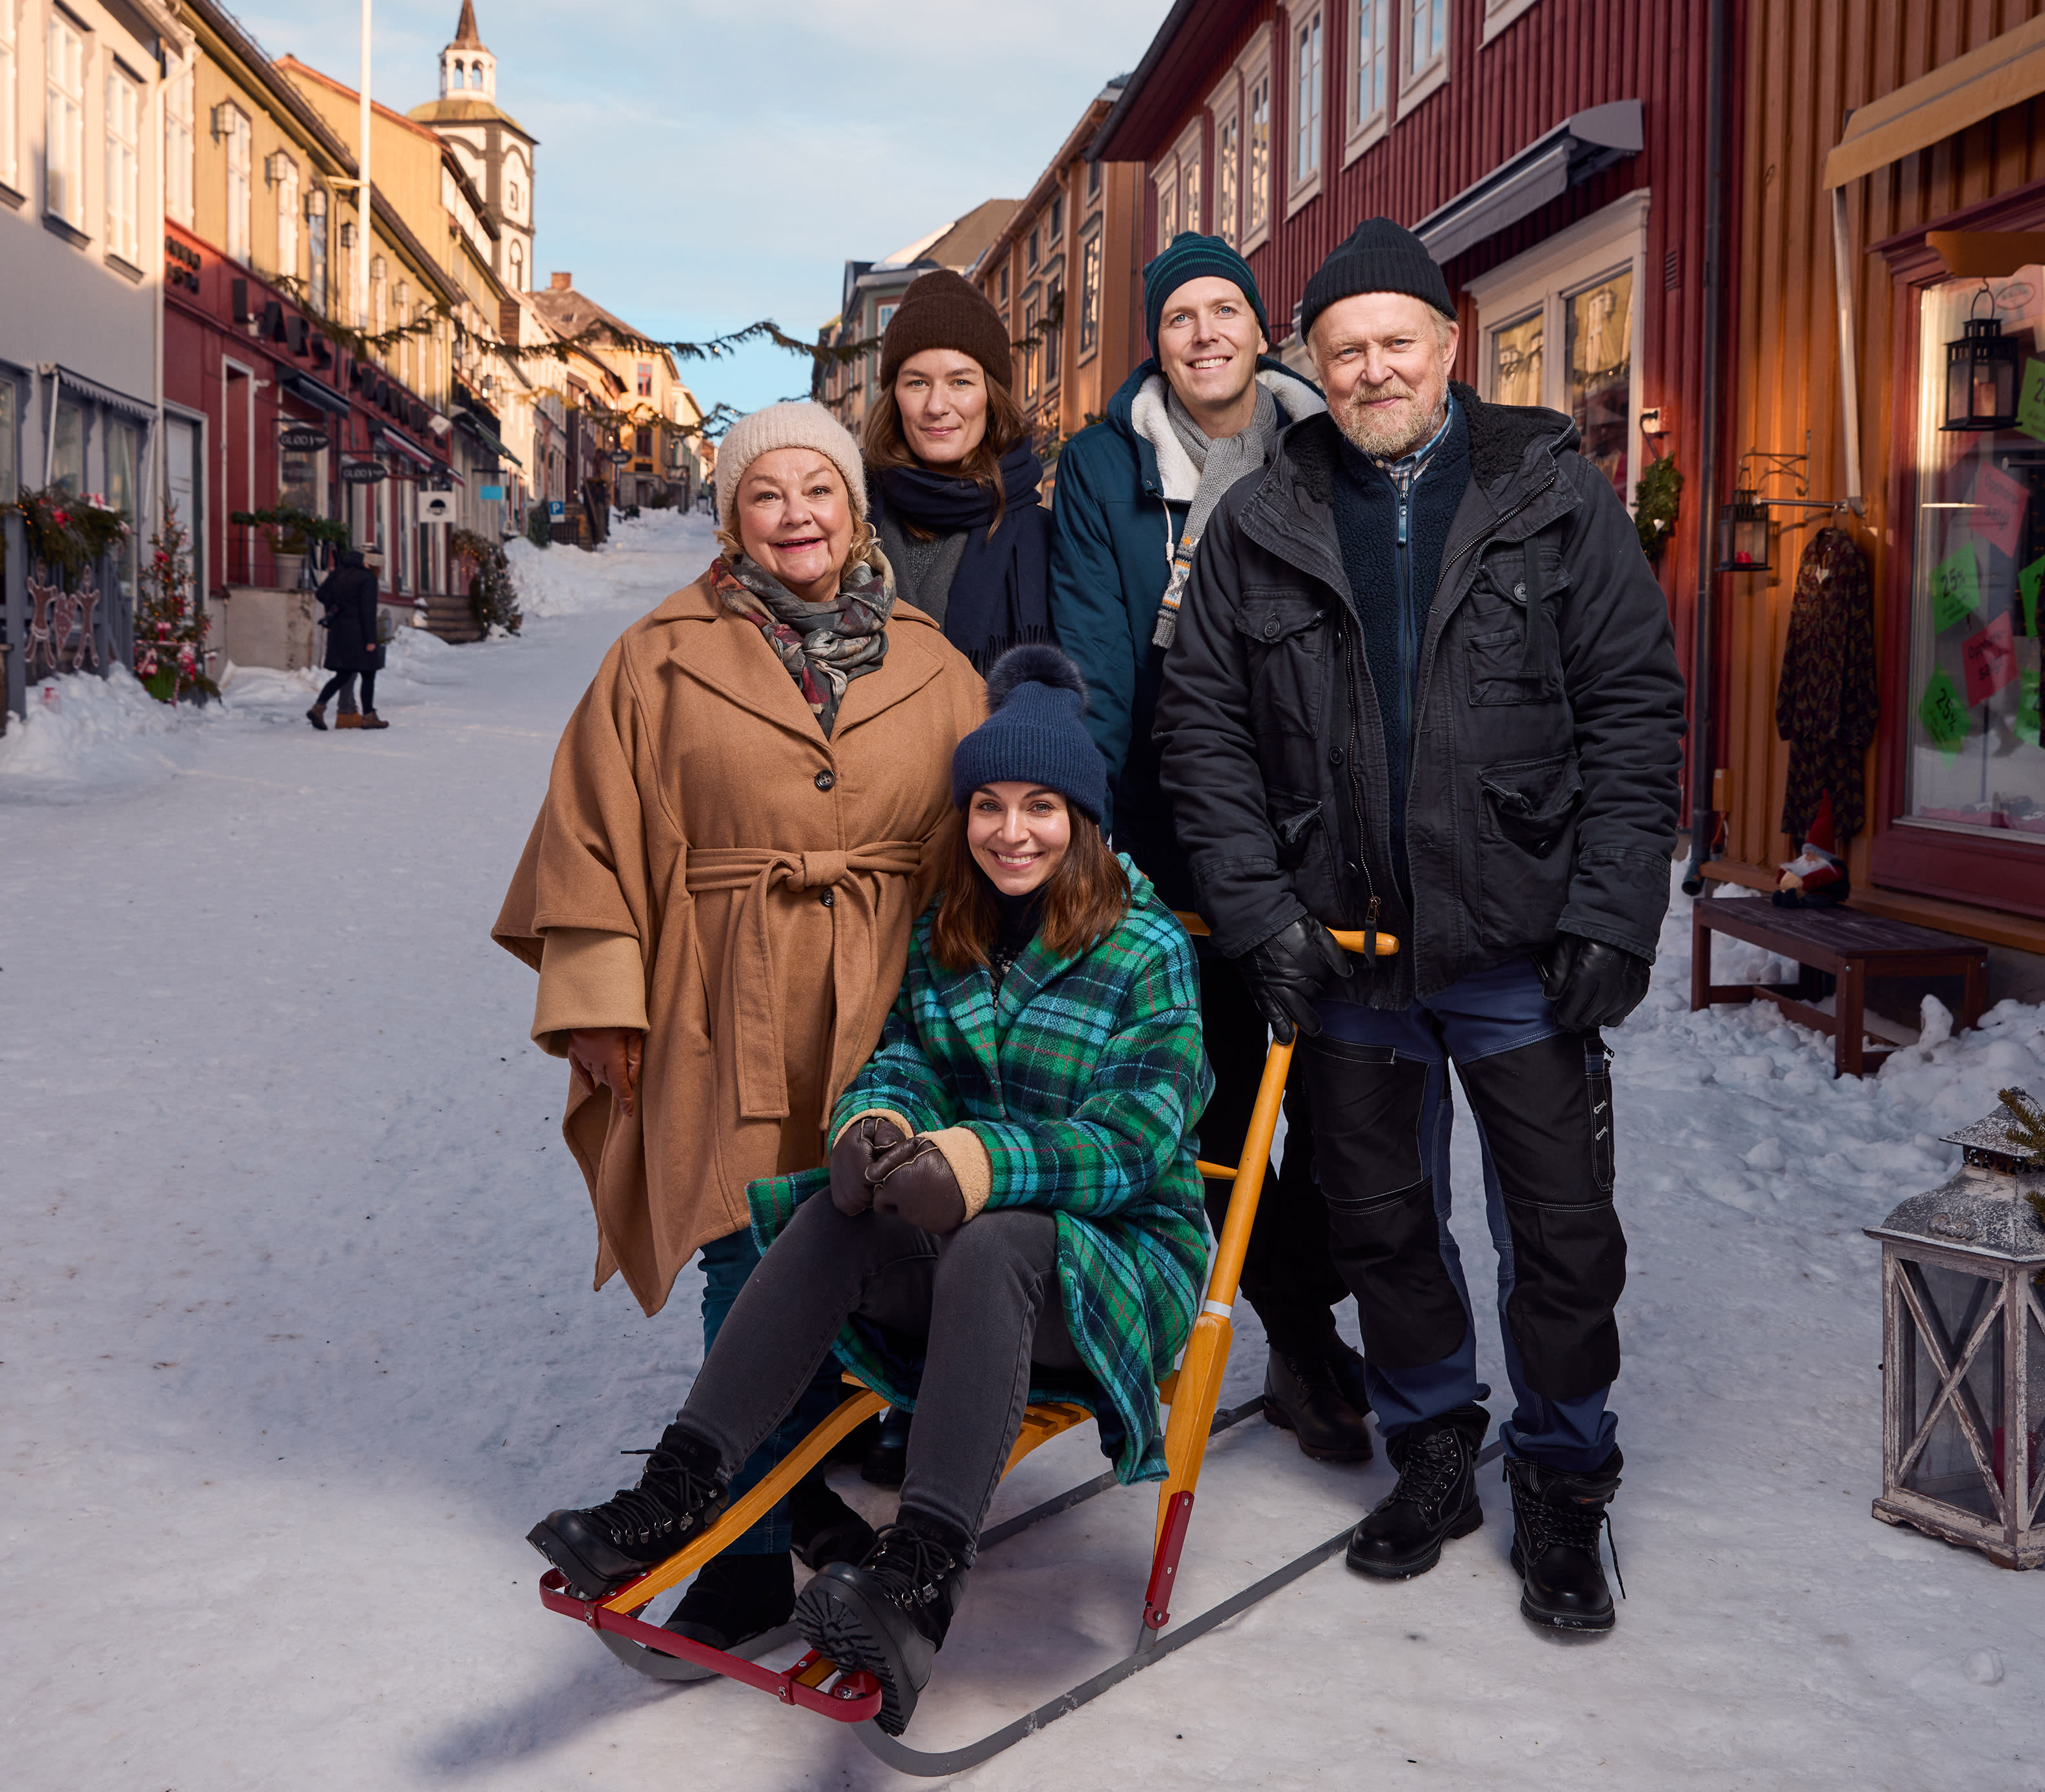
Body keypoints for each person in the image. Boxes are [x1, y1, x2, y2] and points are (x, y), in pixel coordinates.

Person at [1156, 219, 1684, 1634]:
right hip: (1347, 955)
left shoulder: (1548, 495)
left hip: (1520, 948)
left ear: (1450, 346)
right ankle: (1434, 1442)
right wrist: (1258, 913)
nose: (1373, 369)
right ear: (1312, 366)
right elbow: (1199, 731)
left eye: (1397, 341)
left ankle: (1562, 1477)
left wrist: (1613, 914)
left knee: (1560, 1231)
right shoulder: (1259, 519)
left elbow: (1632, 709)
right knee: (1380, 1223)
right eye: (1344, 351)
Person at [527, 645, 1212, 1736]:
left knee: (993, 1241)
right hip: (972, 1256)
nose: (1011, 831)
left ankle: (920, 1577)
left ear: (1082, 818)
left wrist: (980, 1165)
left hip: (1112, 1267)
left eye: (1040, 806)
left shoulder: (1144, 945)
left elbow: (1134, 1139)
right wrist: (875, 1126)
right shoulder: (950, 926)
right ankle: (676, 1492)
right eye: (987, 805)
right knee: (835, 1206)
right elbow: (899, 1058)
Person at [493, 403, 988, 1659]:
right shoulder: (656, 659)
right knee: (741, 1242)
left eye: (817, 490)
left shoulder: (937, 666)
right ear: (731, 519)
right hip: (723, 987)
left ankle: (800, 1485)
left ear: (853, 510)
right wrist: (600, 1004)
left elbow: (995, 843)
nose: (794, 515)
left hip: (890, 992)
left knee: (854, 1237)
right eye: (764, 494)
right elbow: (587, 838)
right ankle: (749, 1551)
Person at [1052, 231, 1368, 1465]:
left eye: (1223, 310)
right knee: (1222, 1099)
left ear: (1258, 325)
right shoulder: (1108, 463)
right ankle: (1299, 1335)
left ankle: (1315, 1304)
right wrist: (1090, 833)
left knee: (1349, 1103)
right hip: (1173, 826)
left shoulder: (1321, 443)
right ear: (1156, 339)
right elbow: (1094, 649)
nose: (1203, 334)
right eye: (1178, 315)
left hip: (1325, 827)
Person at [862, 268, 1054, 673]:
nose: (937, 406)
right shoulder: (849, 514)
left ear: (991, 395)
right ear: (895, 396)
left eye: (960, 382)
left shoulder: (1044, 537)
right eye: (917, 383)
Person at [307, 546, 386, 730]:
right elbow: (368, 610)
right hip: (359, 633)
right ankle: (369, 716)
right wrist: (371, 640)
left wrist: (335, 607)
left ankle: (319, 707)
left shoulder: (338, 573)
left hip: (338, 630)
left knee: (343, 673)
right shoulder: (368, 578)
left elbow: (321, 594)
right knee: (369, 673)